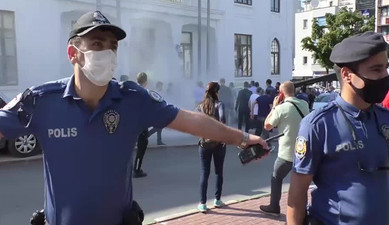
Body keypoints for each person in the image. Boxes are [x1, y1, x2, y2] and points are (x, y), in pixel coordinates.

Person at [0, 11, 269, 225]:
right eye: (96, 44)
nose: (107, 52)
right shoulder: (42, 101)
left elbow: (190, 120)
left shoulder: (132, 99)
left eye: (112, 46)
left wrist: (243, 137)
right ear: (73, 53)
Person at [287, 31, 389, 225]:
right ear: (347, 75)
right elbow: (297, 194)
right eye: (376, 69)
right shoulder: (318, 125)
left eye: (386, 69)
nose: (385, 76)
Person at [259, 81, 309, 216]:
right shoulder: (304, 104)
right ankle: (302, 209)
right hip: (302, 152)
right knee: (299, 182)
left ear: (281, 93)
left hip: (286, 154)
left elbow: (267, 126)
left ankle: (274, 206)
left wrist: (274, 107)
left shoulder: (281, 108)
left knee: (276, 177)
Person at [196, 82, 227, 212]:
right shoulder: (219, 104)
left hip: (204, 143)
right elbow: (223, 120)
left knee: (204, 172)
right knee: (218, 172)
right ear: (216, 92)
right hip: (219, 143)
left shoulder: (200, 106)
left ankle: (202, 203)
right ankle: (217, 200)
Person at [133, 72, 149, 178]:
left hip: (133, 124)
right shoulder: (143, 92)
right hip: (141, 125)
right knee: (141, 149)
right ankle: (137, 169)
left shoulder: (133, 90)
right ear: (145, 81)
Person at [148, 81, 165, 145]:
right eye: (161, 85)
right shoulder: (155, 92)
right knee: (158, 127)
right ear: (158, 86)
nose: (162, 87)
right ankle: (146, 136)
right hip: (156, 111)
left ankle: (159, 140)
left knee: (160, 126)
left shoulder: (162, 92)